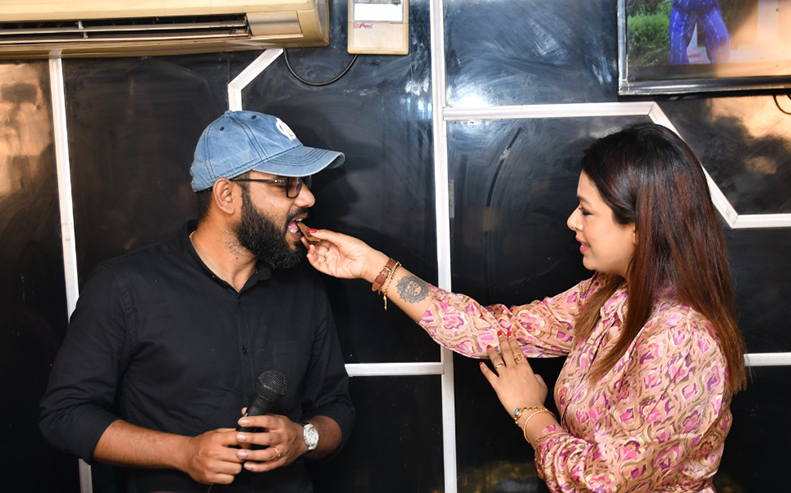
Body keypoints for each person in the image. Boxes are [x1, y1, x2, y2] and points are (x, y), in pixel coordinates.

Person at [301, 123, 747, 492]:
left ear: (640, 227)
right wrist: (374, 267)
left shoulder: (679, 338)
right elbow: (491, 330)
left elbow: (601, 483)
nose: (571, 221)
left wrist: (530, 413)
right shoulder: (611, 294)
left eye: (586, 211)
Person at [39, 110, 355, 493]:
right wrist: (183, 453)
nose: (308, 197)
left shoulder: (304, 287)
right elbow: (64, 415)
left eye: (304, 182)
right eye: (286, 184)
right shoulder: (124, 286)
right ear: (226, 195)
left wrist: (304, 438)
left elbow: (336, 407)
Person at [670, 0, 731, 65]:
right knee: (677, 46)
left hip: (708, 7)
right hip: (682, 8)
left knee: (721, 38)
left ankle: (719, 70)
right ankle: (680, 71)